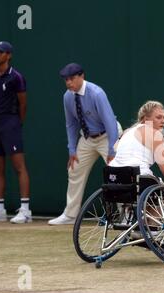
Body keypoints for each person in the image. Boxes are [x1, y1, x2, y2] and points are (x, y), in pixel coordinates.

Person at [48, 63, 123, 225]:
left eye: (72, 79)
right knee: (74, 170)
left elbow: (109, 121)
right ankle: (70, 215)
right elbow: (71, 124)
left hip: (109, 135)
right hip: (88, 138)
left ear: (82, 76)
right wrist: (72, 149)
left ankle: (127, 215)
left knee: (119, 173)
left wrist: (112, 148)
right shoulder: (67, 96)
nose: (69, 83)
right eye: (66, 80)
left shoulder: (96, 93)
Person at [0, 41, 32, 224]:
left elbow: (23, 104)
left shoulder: (16, 77)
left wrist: (16, 123)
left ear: (8, 55)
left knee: (19, 166)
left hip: (11, 123)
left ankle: (25, 211)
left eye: (0, 52)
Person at [110, 100, 164, 208]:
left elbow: (114, 152)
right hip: (138, 179)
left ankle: (130, 217)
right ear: (146, 119)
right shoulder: (155, 134)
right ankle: (153, 223)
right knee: (161, 190)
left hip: (113, 178)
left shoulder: (126, 132)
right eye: (158, 117)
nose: (163, 121)